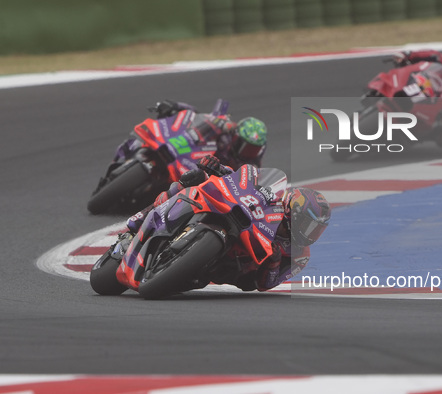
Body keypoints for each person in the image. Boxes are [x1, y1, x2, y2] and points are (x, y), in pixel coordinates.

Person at [123, 155, 332, 292]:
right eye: (307, 224)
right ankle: (141, 217)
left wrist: (274, 261)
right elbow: (242, 182)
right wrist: (218, 168)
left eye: (316, 229)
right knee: (191, 180)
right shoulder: (274, 201)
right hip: (237, 221)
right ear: (291, 209)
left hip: (235, 267)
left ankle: (180, 267)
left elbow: (267, 285)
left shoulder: (300, 255)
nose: (309, 232)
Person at [153, 99, 268, 169]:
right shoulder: (226, 137)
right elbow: (199, 116)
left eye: (253, 150)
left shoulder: (252, 166)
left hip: (205, 182)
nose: (247, 153)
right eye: (245, 147)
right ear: (236, 137)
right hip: (189, 157)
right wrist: (176, 106)